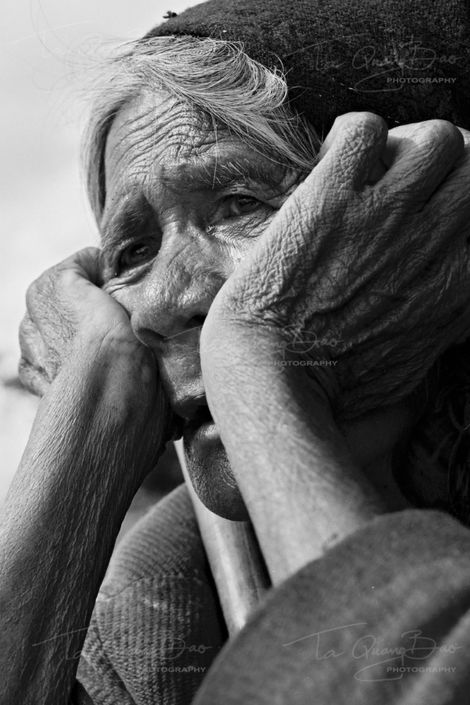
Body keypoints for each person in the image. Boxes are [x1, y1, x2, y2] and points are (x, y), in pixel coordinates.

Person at [3, 0, 470, 703]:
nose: (160, 304)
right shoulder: (161, 613)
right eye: (132, 252)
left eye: (239, 201)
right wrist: (84, 422)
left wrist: (259, 349)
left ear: (428, 212)